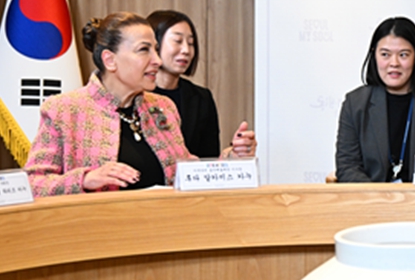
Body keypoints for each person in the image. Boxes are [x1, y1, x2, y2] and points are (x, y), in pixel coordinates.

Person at [23, 12, 256, 196]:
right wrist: (85, 179)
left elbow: (186, 173)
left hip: (162, 232)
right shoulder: (65, 110)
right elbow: (33, 184)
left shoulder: (163, 107)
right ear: (110, 60)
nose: (157, 60)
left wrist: (233, 159)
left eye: (156, 49)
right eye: (144, 50)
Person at [335, 17, 415, 183]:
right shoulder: (355, 104)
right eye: (385, 55)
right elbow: (347, 166)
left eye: (403, 55)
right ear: (374, 56)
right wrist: (379, 196)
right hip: (372, 197)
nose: (394, 63)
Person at [147, 10, 246, 158]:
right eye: (178, 41)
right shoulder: (135, 95)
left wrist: (231, 155)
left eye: (191, 43)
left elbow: (208, 158)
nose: (186, 50)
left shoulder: (201, 98)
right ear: (154, 44)